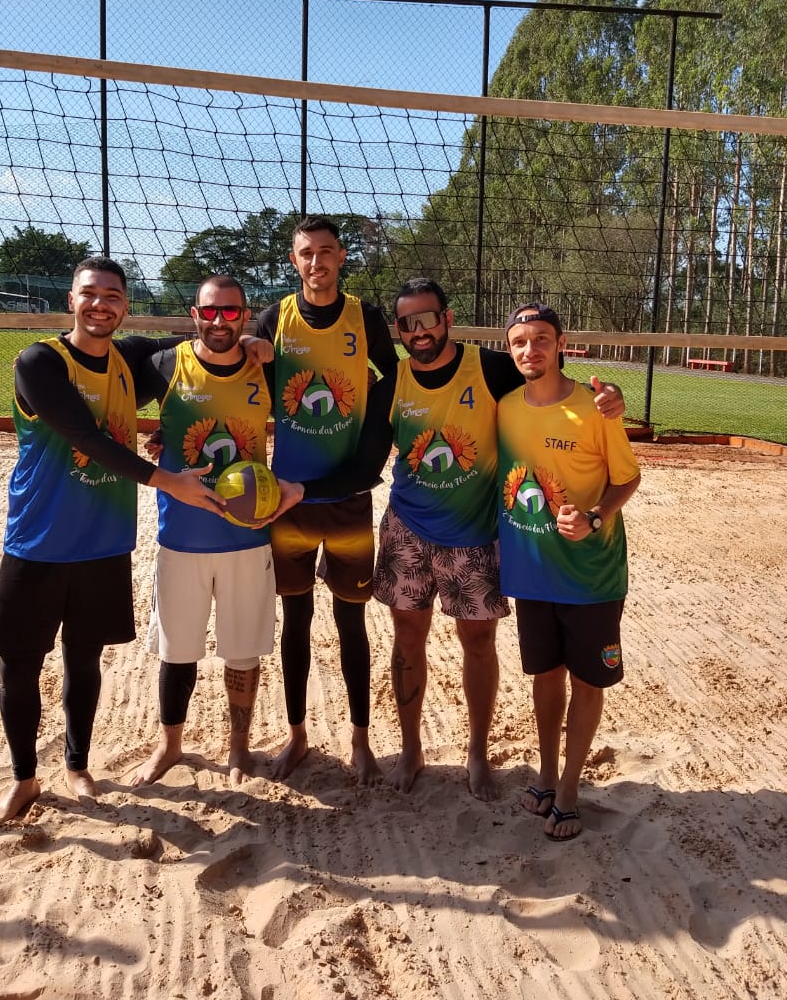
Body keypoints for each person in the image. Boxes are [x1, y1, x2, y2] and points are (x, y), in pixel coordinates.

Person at [316, 278, 625, 800]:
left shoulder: (489, 368)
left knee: (478, 643)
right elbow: (365, 464)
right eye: (408, 323)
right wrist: (302, 491)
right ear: (398, 330)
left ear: (447, 319)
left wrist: (610, 397)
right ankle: (411, 749)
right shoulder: (393, 384)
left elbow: (549, 376)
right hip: (408, 530)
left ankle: (477, 753)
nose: (419, 331)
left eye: (428, 318)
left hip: (475, 535)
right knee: (407, 638)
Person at [0, 256, 228, 821]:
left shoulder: (129, 357)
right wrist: (168, 480)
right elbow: (87, 438)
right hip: (38, 542)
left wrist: (252, 340)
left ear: (125, 306)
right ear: (71, 301)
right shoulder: (39, 362)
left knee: (85, 659)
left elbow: (198, 341)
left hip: (103, 543)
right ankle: (25, 778)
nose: (101, 305)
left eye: (113, 296)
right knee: (20, 667)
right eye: (90, 294)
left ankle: (77, 766)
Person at [129, 274, 302, 787]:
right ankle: (170, 745)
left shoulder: (265, 368)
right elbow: (108, 368)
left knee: (242, 650)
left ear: (245, 315)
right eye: (209, 311)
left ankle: (238, 746)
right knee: (177, 650)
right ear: (194, 314)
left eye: (231, 312)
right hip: (181, 535)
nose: (219, 320)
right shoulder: (165, 365)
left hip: (247, 534)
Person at [254, 215, 399, 784]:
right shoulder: (275, 319)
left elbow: (395, 381)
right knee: (295, 620)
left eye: (326, 251)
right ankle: (296, 735)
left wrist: (373, 440)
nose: (317, 261)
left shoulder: (365, 317)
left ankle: (361, 739)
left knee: (350, 622)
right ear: (294, 261)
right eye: (306, 253)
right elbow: (237, 382)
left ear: (341, 257)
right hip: (287, 501)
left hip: (347, 497)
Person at [498, 302, 640, 841]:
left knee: (586, 680)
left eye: (541, 339)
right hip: (533, 573)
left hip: (591, 576)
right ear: (509, 350)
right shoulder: (505, 408)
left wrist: (595, 517)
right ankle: (545, 774)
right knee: (545, 676)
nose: (530, 349)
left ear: (561, 344)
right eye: (519, 342)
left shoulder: (596, 408)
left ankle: (571, 789)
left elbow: (628, 478)